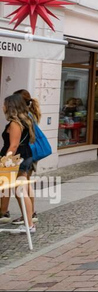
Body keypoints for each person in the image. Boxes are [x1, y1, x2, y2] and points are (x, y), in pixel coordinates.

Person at [0, 94, 36, 233]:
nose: (3, 107)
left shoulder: (15, 124)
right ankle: (29, 223)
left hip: (16, 160)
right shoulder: (25, 120)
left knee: (21, 191)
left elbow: (13, 146)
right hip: (24, 157)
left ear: (10, 106)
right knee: (21, 191)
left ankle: (29, 224)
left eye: (4, 104)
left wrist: (5, 162)